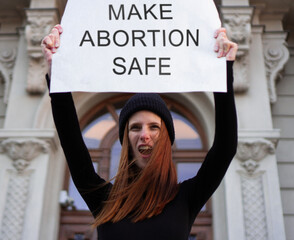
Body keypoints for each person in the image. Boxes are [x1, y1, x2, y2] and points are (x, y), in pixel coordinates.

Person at [41, 24, 238, 240]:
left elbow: (225, 147)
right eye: (135, 127)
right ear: (126, 139)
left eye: (154, 127)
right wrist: (57, 73)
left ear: (166, 139)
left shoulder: (186, 198)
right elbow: (72, 143)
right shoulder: (104, 199)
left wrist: (224, 69)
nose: (144, 134)